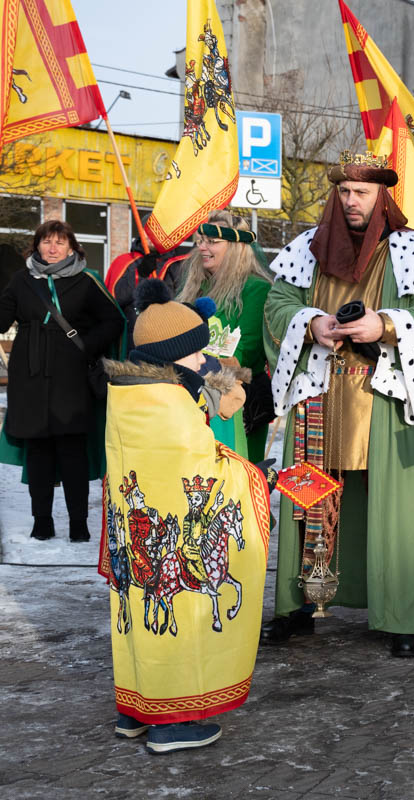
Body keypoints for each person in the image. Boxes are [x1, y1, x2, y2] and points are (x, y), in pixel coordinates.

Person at [260, 151, 414, 657]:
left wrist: (385, 324)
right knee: (307, 498)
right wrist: (311, 322)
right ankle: (298, 608)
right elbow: (277, 305)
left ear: (381, 195)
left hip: (382, 396)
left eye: (361, 192)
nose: (351, 200)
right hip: (317, 397)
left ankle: (399, 617)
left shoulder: (410, 249)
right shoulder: (307, 246)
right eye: (343, 191)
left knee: (390, 511)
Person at [101, 280, 272, 754]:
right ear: (174, 355)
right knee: (183, 616)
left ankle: (134, 712)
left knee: (137, 615)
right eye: (196, 356)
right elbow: (203, 472)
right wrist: (255, 476)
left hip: (134, 536)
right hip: (170, 537)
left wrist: (213, 384)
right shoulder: (169, 404)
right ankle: (173, 725)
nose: (203, 361)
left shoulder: (130, 390)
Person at [0, 220, 123, 542]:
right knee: (38, 451)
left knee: (72, 452)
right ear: (37, 246)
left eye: (60, 242)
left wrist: (84, 346)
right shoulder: (21, 280)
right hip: (29, 377)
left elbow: (113, 321)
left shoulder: (85, 281)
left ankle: (78, 523)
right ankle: (42, 521)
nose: (53, 248)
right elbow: (2, 321)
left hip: (72, 378)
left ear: (72, 247)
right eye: (46, 242)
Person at [176, 211, 273, 462]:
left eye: (213, 242)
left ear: (236, 247)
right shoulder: (196, 286)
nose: (203, 248)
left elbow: (247, 350)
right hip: (190, 396)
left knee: (235, 479)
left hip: (238, 400)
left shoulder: (256, 288)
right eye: (200, 241)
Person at [106, 240, 188, 347]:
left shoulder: (179, 265)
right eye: (147, 229)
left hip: (168, 341)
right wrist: (140, 274)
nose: (151, 236)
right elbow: (113, 299)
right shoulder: (126, 261)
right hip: (132, 342)